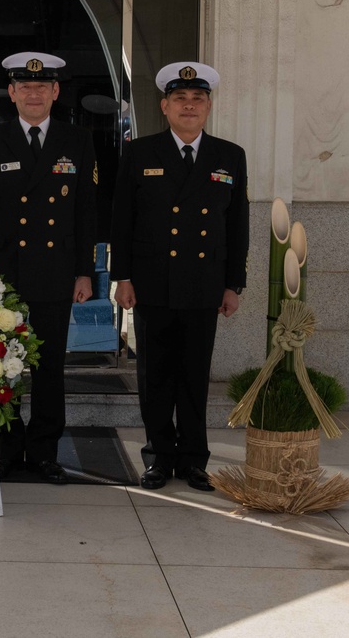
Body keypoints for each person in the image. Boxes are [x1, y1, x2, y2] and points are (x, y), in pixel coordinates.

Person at [110, 61, 249, 491]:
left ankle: (193, 459)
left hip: (205, 283)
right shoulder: (139, 152)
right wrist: (123, 277)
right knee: (155, 376)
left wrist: (233, 283)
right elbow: (122, 220)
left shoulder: (229, 155)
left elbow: (238, 224)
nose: (190, 106)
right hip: (153, 281)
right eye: (181, 99)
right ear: (164, 105)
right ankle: (157, 456)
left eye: (198, 98)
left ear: (208, 106)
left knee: (194, 375)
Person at [0, 52, 98, 484]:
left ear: (56, 91)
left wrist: (85, 271)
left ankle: (44, 451)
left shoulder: (77, 140)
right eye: (25, 86)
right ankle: (5, 448)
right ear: (11, 93)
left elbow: (85, 211)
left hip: (55, 269)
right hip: (2, 272)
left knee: (49, 369)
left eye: (42, 86)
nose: (34, 93)